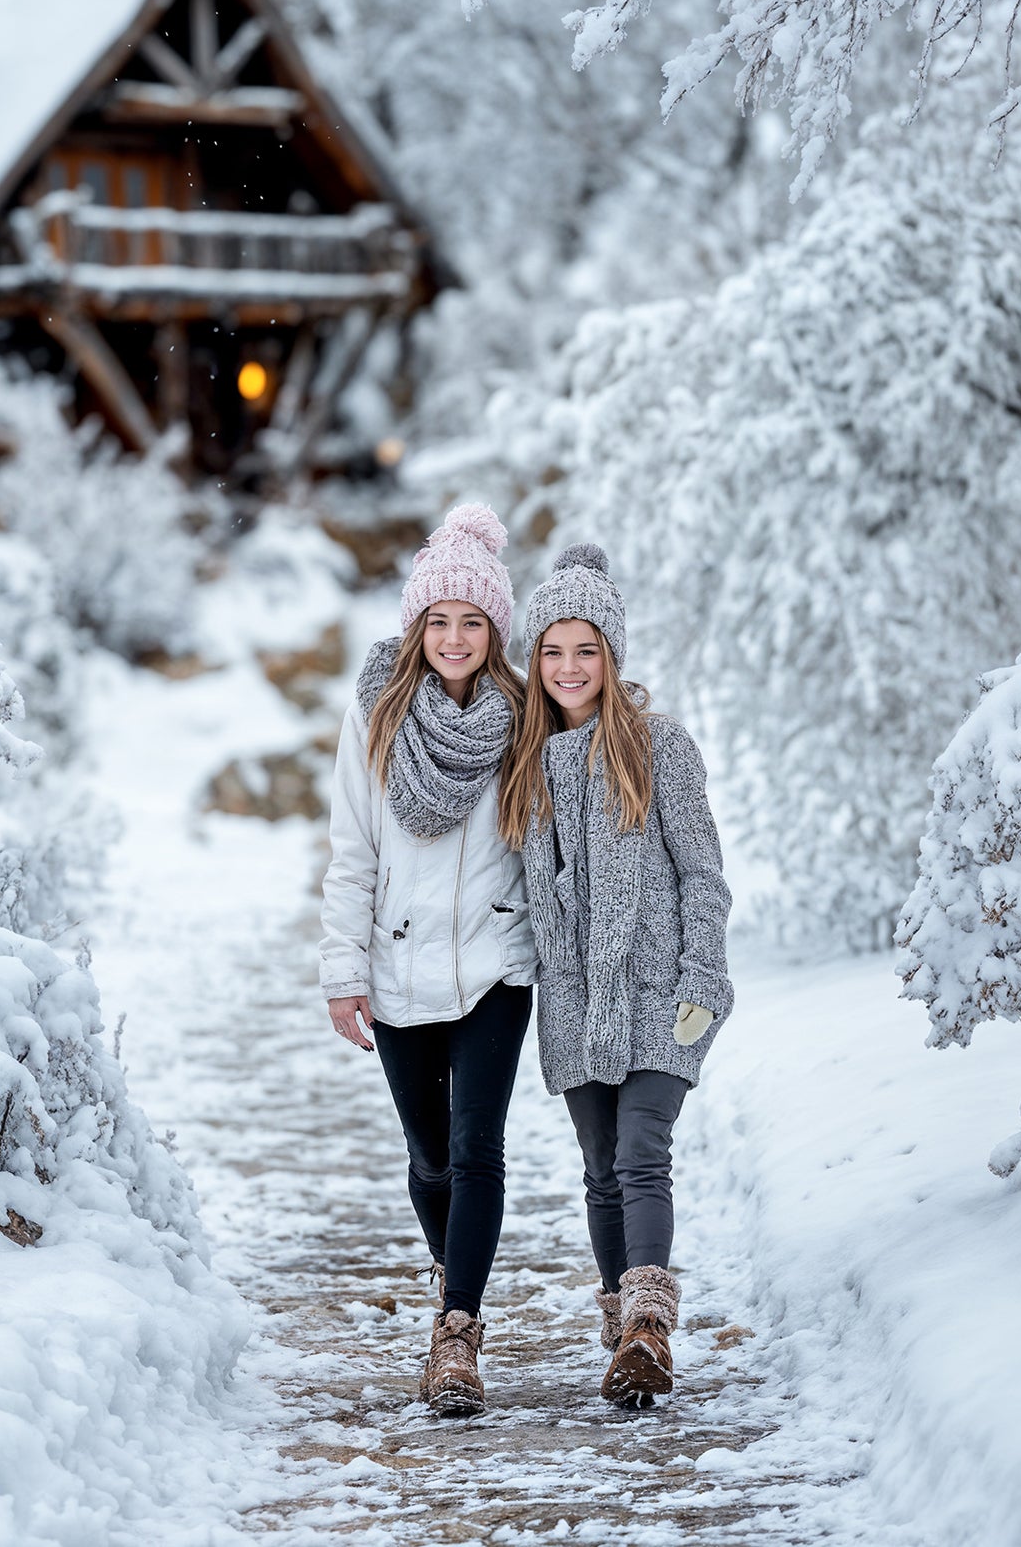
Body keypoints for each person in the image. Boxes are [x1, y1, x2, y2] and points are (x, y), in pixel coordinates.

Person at [498, 543, 733, 1407]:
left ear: (611, 655)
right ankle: (622, 1333)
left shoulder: (658, 747)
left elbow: (702, 873)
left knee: (640, 1151)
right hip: (571, 996)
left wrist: (701, 978)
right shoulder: (522, 762)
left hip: (660, 987)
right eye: (552, 651)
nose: (568, 668)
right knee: (600, 1166)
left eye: (585, 650)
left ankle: (648, 1328)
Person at [320, 504, 535, 1416]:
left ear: (494, 631)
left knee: (477, 1148)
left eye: (471, 622)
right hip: (399, 967)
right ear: (416, 627)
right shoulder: (373, 716)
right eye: (438, 620)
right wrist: (343, 971)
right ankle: (453, 1268)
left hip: (495, 965)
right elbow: (351, 852)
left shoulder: (523, 719)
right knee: (430, 1157)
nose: (453, 639)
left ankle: (457, 1331)